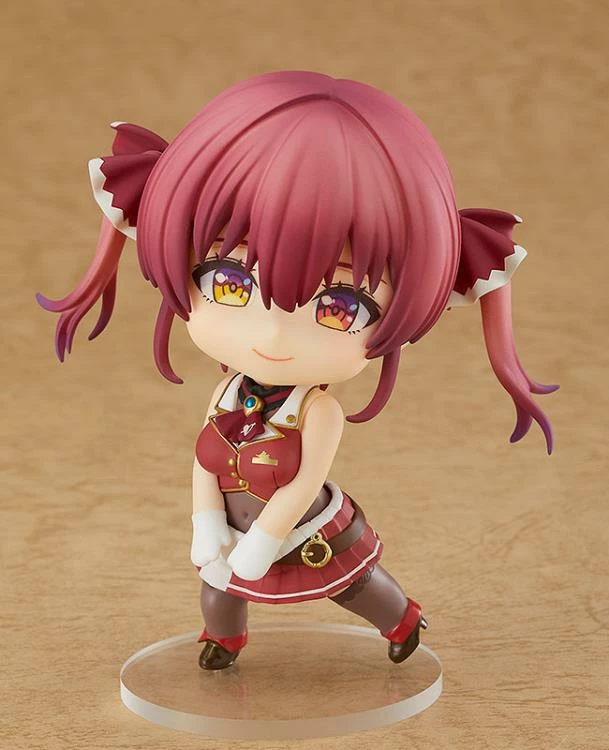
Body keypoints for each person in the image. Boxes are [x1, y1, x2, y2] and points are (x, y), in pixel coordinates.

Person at [37, 70, 558, 671]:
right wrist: (205, 521)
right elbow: (204, 458)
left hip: (302, 528)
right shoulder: (227, 391)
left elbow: (307, 482)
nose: (274, 335)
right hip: (234, 519)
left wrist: (265, 538)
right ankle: (224, 639)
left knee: (354, 585)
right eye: (229, 282)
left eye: (340, 307)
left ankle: (402, 619)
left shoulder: (318, 410)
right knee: (218, 590)